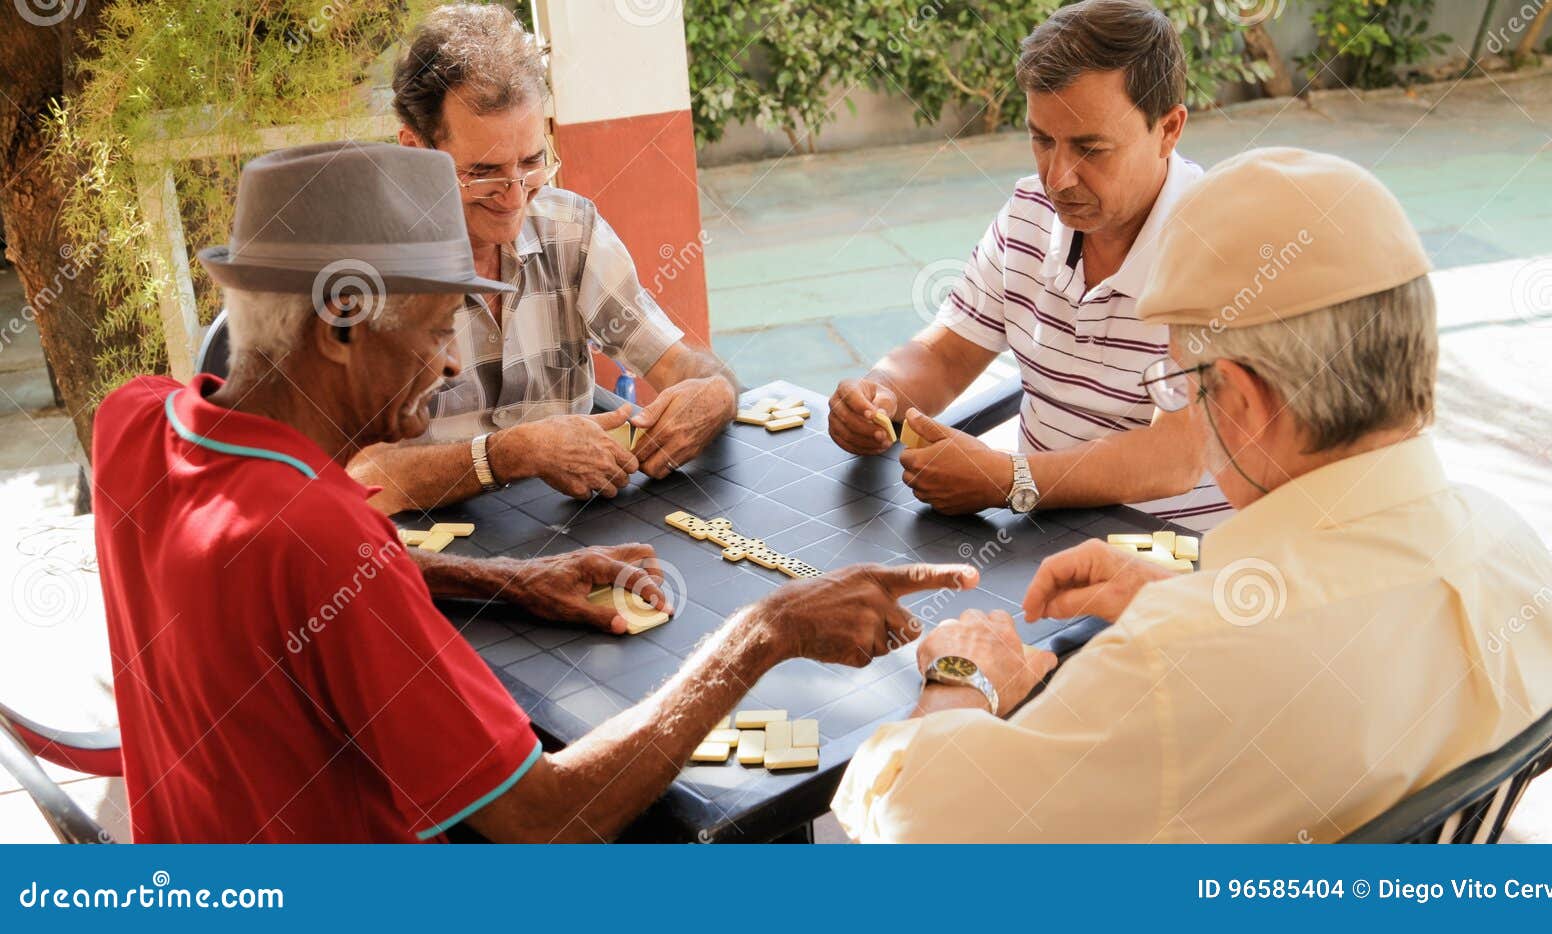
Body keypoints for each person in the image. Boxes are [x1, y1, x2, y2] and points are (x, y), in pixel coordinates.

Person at [93, 142, 974, 843]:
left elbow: (281, 591)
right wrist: (767, 629)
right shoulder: (318, 539)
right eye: (436, 331)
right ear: (341, 324)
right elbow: (545, 820)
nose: (445, 361)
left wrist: (506, 581)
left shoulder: (134, 422)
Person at [830, 148, 1552, 843]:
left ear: (1246, 402)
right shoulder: (1518, 556)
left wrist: (962, 677)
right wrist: (1203, 596)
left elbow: (918, 834)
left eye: (1188, 382)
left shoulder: (1178, 668)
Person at [828, 0, 1229, 531]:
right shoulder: (1030, 214)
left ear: (1169, 129)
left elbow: (1176, 455)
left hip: (1170, 561)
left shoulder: (1221, 244)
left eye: (1092, 148)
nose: (1058, 177)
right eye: (1042, 140)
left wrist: (1012, 480)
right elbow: (947, 355)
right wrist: (878, 393)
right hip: (1040, 536)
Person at [349, 3, 739, 514]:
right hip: (424, 560)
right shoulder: (362, 277)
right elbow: (357, 477)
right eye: (484, 173)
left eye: (532, 162)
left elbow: (678, 363)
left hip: (566, 536)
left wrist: (715, 393)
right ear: (414, 151)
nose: (514, 197)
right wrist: (511, 454)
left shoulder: (569, 231)